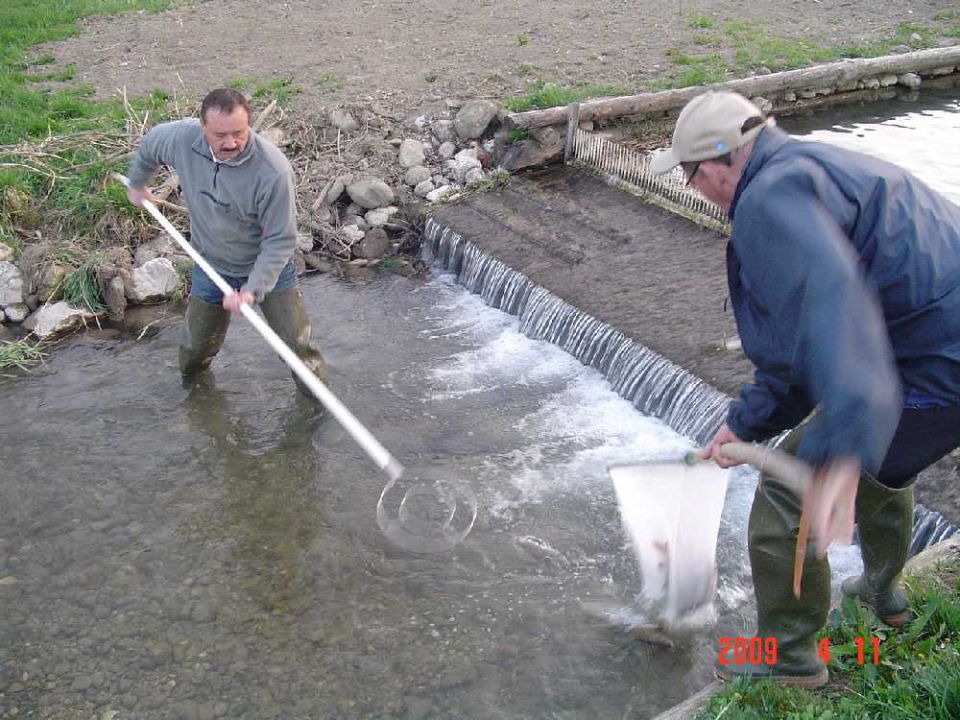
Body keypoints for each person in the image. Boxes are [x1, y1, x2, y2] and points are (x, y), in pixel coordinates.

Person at [651, 90, 960, 687]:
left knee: (790, 490)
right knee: (887, 467)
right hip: (931, 353)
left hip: (940, 368)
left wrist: (840, 449)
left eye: (689, 174)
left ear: (716, 163)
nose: (693, 189)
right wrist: (746, 423)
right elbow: (803, 349)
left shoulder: (768, 202)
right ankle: (882, 594)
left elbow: (839, 321)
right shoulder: (811, 166)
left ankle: (788, 659)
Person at [125, 88, 328, 391]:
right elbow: (151, 146)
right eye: (220, 135)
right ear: (202, 127)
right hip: (211, 266)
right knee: (195, 351)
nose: (231, 143)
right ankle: (200, 405)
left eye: (239, 133)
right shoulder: (182, 139)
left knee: (299, 351)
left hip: (267, 269)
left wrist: (251, 290)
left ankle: (315, 410)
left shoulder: (272, 171)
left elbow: (280, 240)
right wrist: (138, 184)